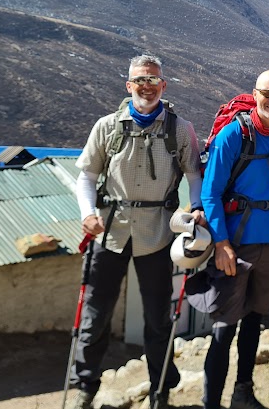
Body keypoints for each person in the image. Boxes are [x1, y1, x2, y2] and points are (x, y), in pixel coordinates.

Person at [68, 54, 203, 409]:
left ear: (163, 85)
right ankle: (86, 384)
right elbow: (87, 176)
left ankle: (160, 388)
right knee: (96, 313)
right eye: (140, 81)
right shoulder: (107, 127)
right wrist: (86, 213)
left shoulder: (180, 129)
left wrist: (196, 207)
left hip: (158, 233)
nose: (147, 87)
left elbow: (194, 174)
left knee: (158, 316)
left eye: (153, 81)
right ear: (129, 86)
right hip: (109, 231)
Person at [195, 70, 269, 409]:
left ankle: (243, 393)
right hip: (234, 245)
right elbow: (211, 193)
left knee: (254, 320)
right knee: (224, 326)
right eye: (267, 93)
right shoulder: (233, 136)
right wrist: (221, 244)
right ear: (255, 93)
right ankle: (212, 401)